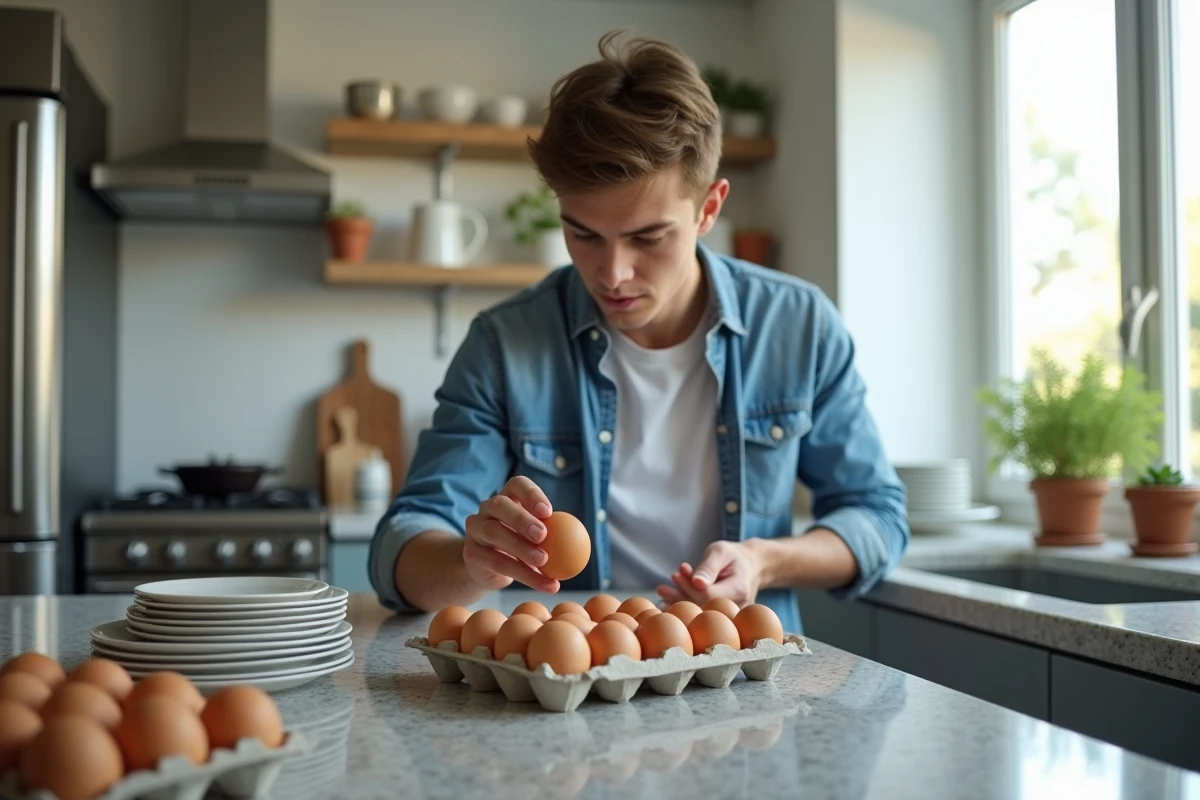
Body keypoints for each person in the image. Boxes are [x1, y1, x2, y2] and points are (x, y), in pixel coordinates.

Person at [367, 30, 909, 634]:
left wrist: (764, 560)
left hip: (747, 684)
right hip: (566, 689)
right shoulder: (504, 343)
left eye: (648, 238)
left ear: (709, 209)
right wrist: (472, 562)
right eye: (584, 234)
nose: (613, 274)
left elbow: (877, 517)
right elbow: (404, 545)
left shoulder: (798, 326)